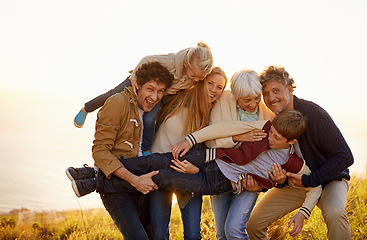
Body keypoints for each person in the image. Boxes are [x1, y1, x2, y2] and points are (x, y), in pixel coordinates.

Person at [70, 110, 321, 238]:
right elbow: (224, 127)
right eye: (272, 132)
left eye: (277, 138)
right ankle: (95, 172)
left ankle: (95, 182)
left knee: (162, 178)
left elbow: (315, 186)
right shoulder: (266, 127)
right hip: (211, 158)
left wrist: (303, 212)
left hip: (216, 180)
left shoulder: (293, 162)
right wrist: (192, 140)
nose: (270, 137)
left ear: (291, 142)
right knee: (160, 159)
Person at [67, 61, 174, 240]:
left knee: (159, 237)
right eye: (150, 89)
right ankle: (96, 178)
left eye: (160, 91)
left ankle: (91, 177)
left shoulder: (155, 109)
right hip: (117, 187)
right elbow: (100, 151)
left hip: (145, 181)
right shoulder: (117, 103)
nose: (155, 97)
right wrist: (135, 180)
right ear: (136, 85)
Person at [246, 65, 354, 240]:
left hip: (329, 180)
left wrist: (309, 180)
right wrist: (279, 181)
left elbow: (344, 157)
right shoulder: (271, 119)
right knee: (254, 224)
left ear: (289, 89)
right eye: (266, 93)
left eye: (276, 90)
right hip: (295, 184)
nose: (271, 98)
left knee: (335, 213)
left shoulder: (315, 114)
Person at [173, 68, 274, 240]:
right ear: (235, 95)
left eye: (257, 98)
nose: (252, 104)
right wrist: (237, 137)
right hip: (220, 171)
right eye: (246, 100)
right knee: (221, 233)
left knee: (234, 229)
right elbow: (212, 140)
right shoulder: (224, 101)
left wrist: (261, 183)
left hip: (248, 179)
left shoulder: (268, 116)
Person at [73, 42, 213, 155]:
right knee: (111, 95)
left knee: (150, 119)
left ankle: (145, 149)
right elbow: (146, 60)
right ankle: (86, 109)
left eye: (199, 78)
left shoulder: (196, 74)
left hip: (158, 94)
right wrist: (134, 78)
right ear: (185, 65)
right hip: (140, 80)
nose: (195, 80)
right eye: (193, 76)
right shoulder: (171, 61)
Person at [147, 66, 227, 240]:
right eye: (210, 83)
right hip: (157, 172)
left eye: (219, 87)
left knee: (192, 234)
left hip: (188, 176)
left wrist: (198, 171)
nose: (213, 90)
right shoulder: (179, 97)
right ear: (201, 82)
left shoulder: (215, 115)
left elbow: (214, 150)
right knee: (158, 234)